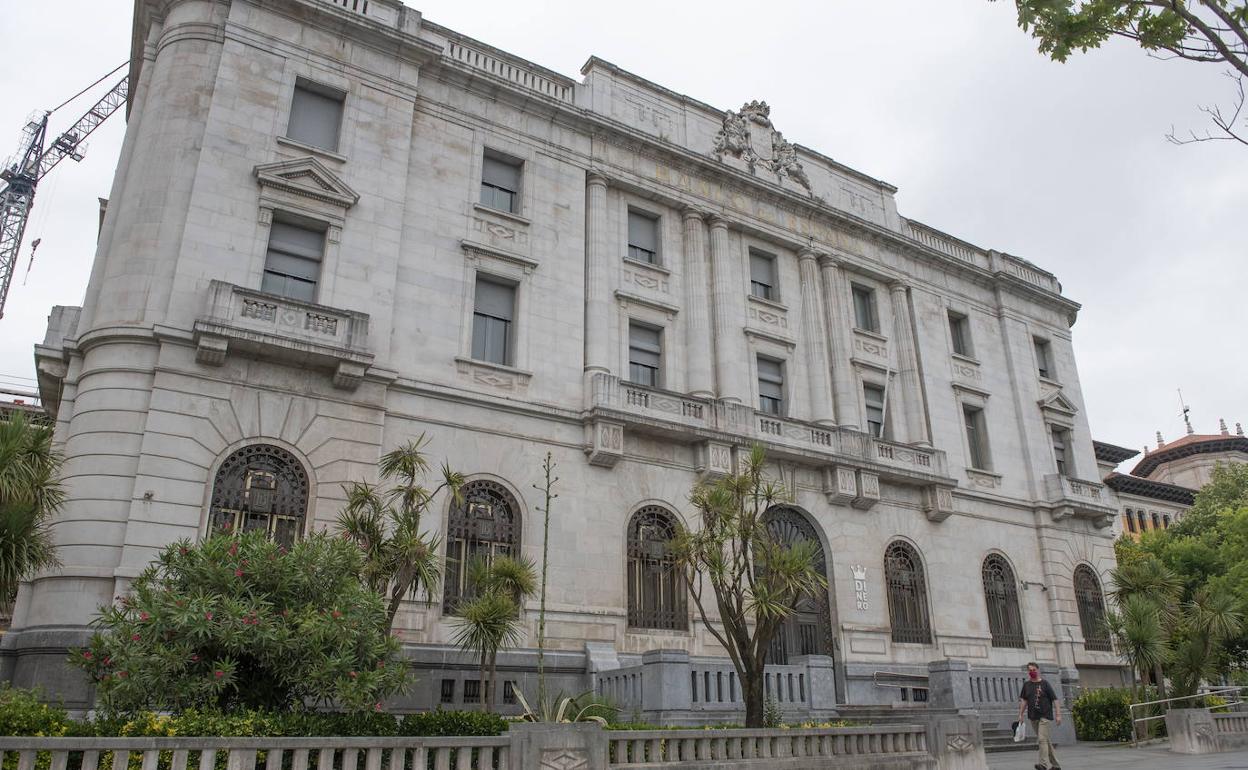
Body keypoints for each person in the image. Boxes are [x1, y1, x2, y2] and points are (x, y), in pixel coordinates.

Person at [1018, 662, 1061, 770]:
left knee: (1041, 740)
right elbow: (1024, 700)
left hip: (1045, 715)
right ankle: (1056, 765)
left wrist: (1058, 715)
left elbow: (1055, 699)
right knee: (1045, 740)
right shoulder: (1026, 685)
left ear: (1038, 670)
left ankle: (1043, 764)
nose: (1032, 672)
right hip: (1033, 716)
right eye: (1030, 670)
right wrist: (1020, 714)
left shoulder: (1045, 684)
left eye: (1034, 670)